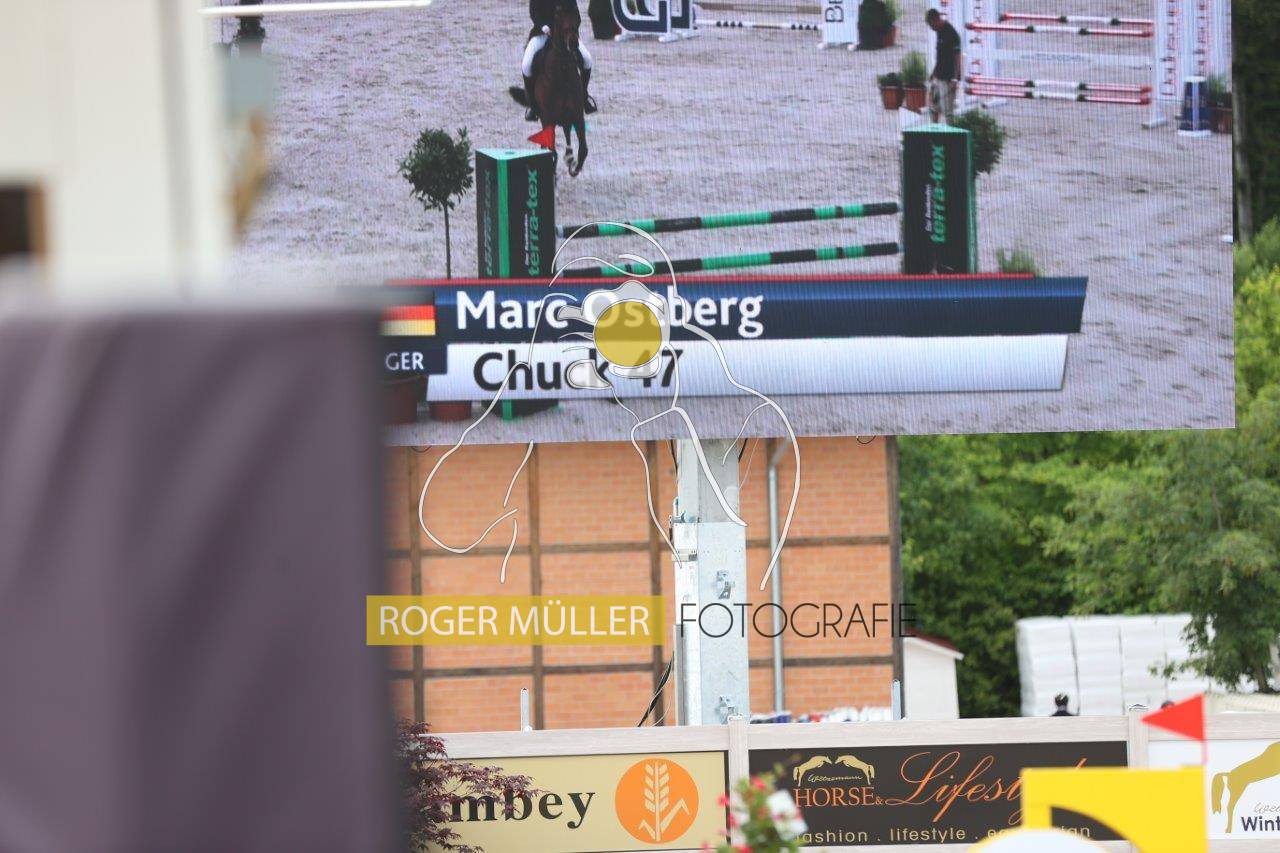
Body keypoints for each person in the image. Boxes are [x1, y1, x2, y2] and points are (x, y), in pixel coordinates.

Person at [523, 0, 596, 122]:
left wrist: (570, 29)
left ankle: (584, 97)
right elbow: (533, 12)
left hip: (565, 36)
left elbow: (576, 15)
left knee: (587, 59)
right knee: (526, 65)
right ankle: (533, 106)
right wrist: (543, 26)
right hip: (542, 34)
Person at [925, 9, 961, 122]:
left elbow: (958, 57)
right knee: (933, 107)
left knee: (947, 111)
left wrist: (955, 78)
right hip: (938, 77)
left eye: (931, 25)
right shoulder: (939, 32)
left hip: (948, 79)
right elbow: (940, 56)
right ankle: (934, 130)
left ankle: (950, 131)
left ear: (936, 20)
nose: (931, 28)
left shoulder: (951, 33)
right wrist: (933, 73)